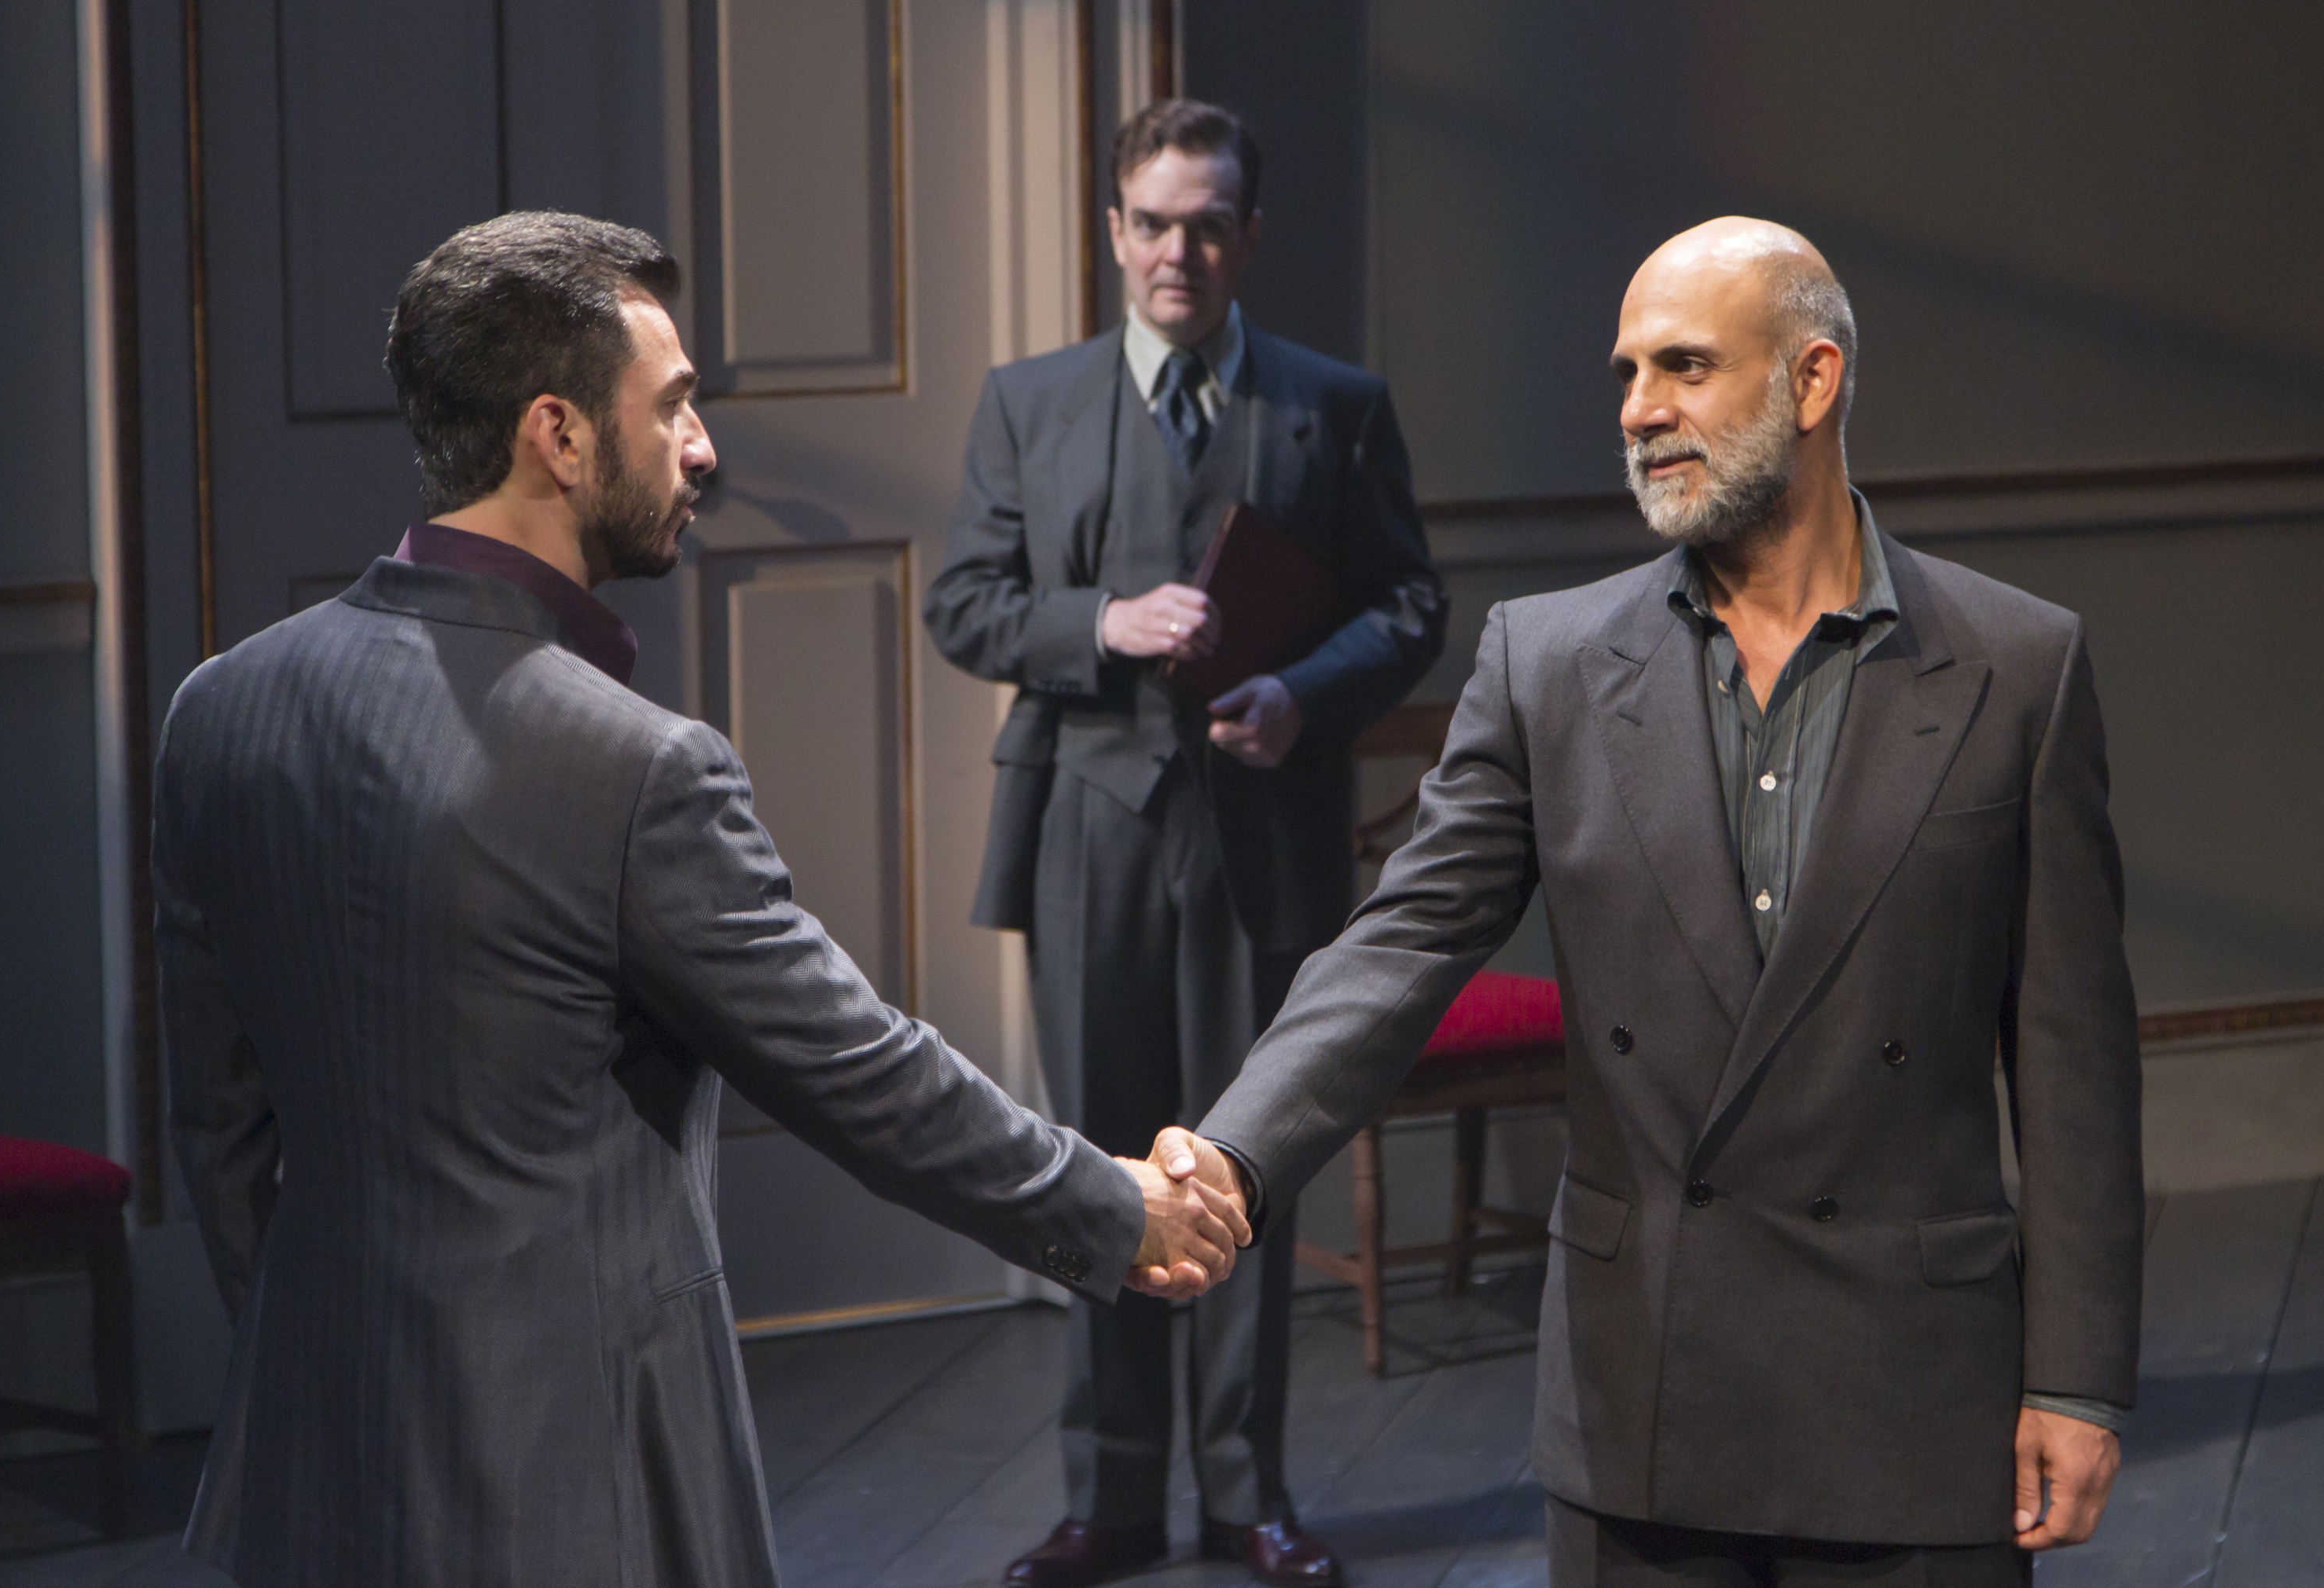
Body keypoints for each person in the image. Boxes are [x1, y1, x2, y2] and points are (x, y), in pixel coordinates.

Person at [156, 211, 1248, 1588]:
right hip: (572, 1474)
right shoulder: (636, 766)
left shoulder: (217, 711)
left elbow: (218, 1122)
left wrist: (314, 1349)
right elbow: (858, 1072)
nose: (705, 447)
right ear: (557, 433)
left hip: (304, 1462)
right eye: (672, 406)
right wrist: (1114, 1203)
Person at [1161, 218, 2143, 1586]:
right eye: (1626, 374)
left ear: (1812, 382)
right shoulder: (1549, 660)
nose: (1638, 411)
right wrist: (1235, 1154)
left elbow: (2075, 1062)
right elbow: (1404, 941)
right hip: (1648, 1393)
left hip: (1916, 1396)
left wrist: (2082, 1378)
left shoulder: (2016, 666)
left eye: (1683, 367)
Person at [923, 100, 1446, 1587]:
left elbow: (1410, 605)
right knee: (1087, 1167)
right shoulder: (1029, 402)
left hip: (1262, 837)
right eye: (1152, 222)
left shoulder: (1333, 405)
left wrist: (1308, 694)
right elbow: (963, 602)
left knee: (1241, 1168)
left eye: (1208, 223)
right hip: (1087, 826)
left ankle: (1246, 1493)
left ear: (1247, 239)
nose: (1179, 251)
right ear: (1113, 233)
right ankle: (1108, 1500)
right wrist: (1099, 620)